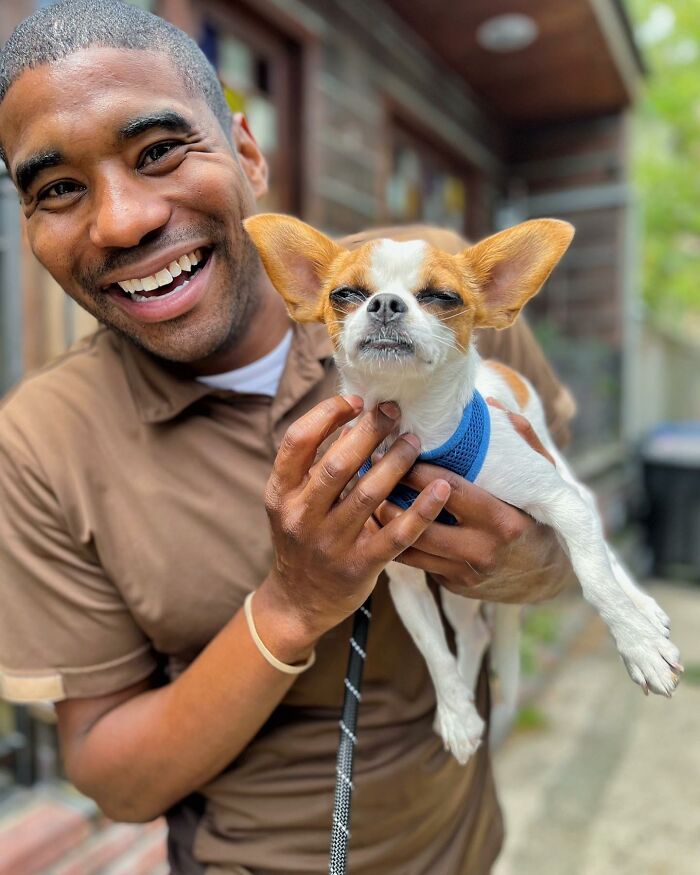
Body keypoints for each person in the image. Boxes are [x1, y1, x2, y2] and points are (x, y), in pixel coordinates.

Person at [0, 2, 575, 873]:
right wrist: (292, 603)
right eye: (56, 189)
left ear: (249, 153)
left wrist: (525, 560)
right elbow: (113, 781)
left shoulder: (448, 296)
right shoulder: (40, 442)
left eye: (159, 152)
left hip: (469, 843)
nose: (120, 221)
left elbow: (575, 554)